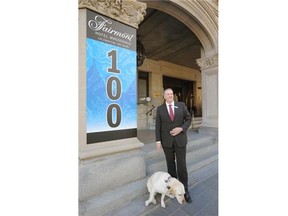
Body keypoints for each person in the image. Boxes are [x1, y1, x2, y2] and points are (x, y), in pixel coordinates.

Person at [155, 88, 192, 203]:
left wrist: (181, 128)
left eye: (171, 94)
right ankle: (173, 188)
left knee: (181, 166)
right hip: (167, 142)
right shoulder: (160, 109)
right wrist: (158, 141)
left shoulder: (181, 105)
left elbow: (188, 119)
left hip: (180, 141)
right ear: (164, 96)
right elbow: (158, 126)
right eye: (168, 94)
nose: (170, 95)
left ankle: (185, 189)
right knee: (170, 166)